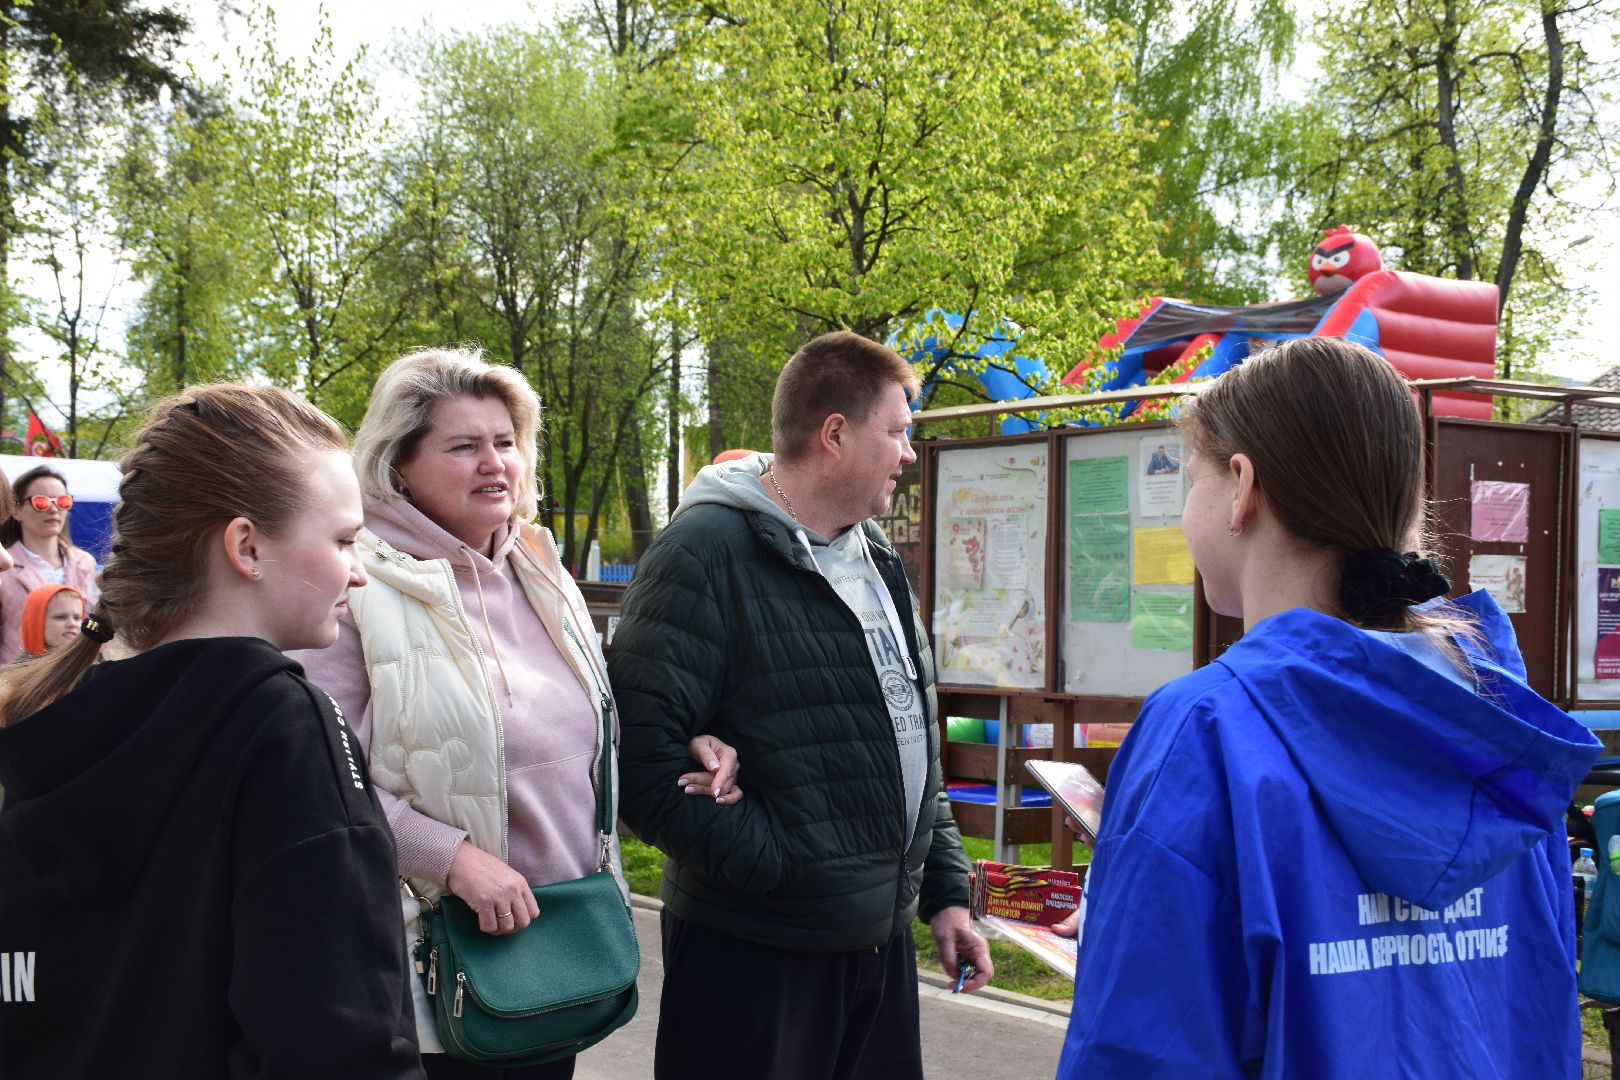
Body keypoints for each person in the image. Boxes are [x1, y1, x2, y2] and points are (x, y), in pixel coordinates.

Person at [1054, 337, 1601, 1078]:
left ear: (1241, 487)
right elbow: (1535, 1020)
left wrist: (1134, 928)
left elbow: (1142, 1050)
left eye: (1193, 479)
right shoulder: (1499, 732)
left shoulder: (1206, 730)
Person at [293, 346, 737, 1080]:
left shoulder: (539, 566)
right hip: (427, 964)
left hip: (557, 949)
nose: (494, 462)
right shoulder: (357, 582)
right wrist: (454, 860)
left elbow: (576, 725)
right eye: (464, 447)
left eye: (505, 443)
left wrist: (683, 742)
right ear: (397, 464)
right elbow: (323, 781)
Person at [0, 385, 423, 1079]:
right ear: (247, 546)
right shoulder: (284, 727)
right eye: (345, 539)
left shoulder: (59, 725)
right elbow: (343, 1038)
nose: (359, 572)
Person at [610, 330, 993, 1080]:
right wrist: (786, 868)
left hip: (875, 950)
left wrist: (945, 893)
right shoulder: (704, 551)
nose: (909, 452)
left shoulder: (876, 553)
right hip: (755, 958)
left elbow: (907, 737)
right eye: (898, 431)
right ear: (835, 435)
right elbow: (642, 759)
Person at [0, 465, 99, 662]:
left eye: (62, 501)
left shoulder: (86, 562)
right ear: (16, 510)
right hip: (16, 680)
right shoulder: (5, 566)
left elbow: (93, 622)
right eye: (41, 502)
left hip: (73, 674)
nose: (54, 509)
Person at [15, 583, 83, 659]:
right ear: (36, 623)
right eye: (61, 617)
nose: (72, 623)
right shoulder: (21, 669)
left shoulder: (88, 663)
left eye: (77, 618)